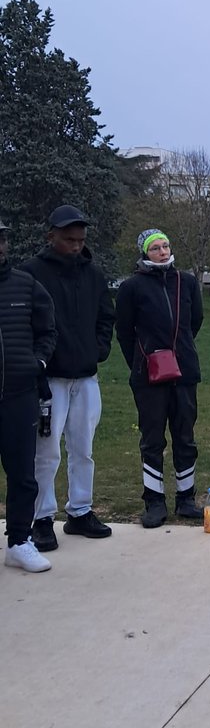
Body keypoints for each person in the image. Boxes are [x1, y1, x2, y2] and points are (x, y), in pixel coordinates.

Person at [21, 205, 115, 550]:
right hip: (50, 379)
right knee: (46, 451)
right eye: (68, 239)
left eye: (80, 240)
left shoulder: (93, 274)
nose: (75, 245)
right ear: (51, 237)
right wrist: (37, 361)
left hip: (86, 376)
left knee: (83, 448)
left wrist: (99, 349)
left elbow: (107, 315)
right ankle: (41, 517)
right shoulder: (31, 273)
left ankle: (80, 510)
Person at [115, 229, 204, 528]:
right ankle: (154, 501)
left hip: (185, 372)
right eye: (156, 248)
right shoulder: (132, 287)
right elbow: (125, 332)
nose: (163, 252)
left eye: (166, 245)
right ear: (144, 253)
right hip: (149, 376)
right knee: (152, 438)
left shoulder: (187, 282)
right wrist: (141, 361)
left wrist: (181, 351)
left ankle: (186, 497)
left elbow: (195, 321)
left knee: (185, 436)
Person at [0, 219, 57, 573]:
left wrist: (37, 361)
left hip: (18, 394)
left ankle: (19, 541)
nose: (0, 246)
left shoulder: (25, 284)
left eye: (2, 239)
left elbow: (47, 329)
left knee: (23, 473)